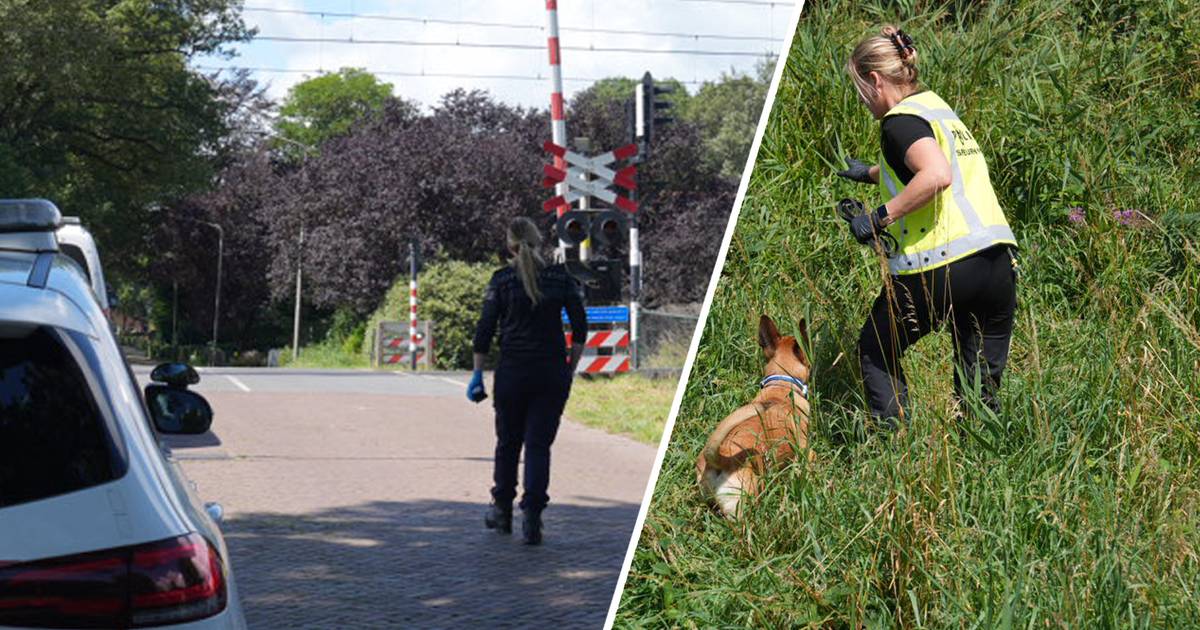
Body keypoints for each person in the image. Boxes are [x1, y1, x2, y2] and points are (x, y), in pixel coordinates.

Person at [836, 26, 1018, 428]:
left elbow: (935, 175)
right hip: (995, 265)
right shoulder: (938, 110)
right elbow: (925, 164)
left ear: (875, 79)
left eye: (861, 90)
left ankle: (895, 444)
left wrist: (877, 217)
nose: (862, 101)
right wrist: (868, 173)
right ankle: (981, 459)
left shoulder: (897, 122)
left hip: (943, 267)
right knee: (978, 391)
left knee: (876, 348)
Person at [467, 216, 587, 545]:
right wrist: (569, 368)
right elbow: (580, 328)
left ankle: (502, 509)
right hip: (550, 373)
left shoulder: (502, 280)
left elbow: (485, 330)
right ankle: (532, 515)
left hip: (512, 373)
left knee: (508, 443)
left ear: (509, 245)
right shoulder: (560, 279)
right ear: (538, 242)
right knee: (538, 446)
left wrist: (478, 373)